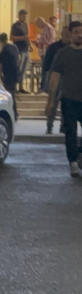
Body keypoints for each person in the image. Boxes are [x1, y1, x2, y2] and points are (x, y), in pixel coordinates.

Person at [45, 21, 82, 177]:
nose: (80, 35)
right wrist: (51, 100)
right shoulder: (63, 54)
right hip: (69, 99)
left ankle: (79, 154)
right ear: (70, 34)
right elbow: (55, 77)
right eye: (76, 32)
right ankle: (73, 162)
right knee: (70, 132)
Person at [42, 26, 71, 134]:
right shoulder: (54, 47)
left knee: (67, 104)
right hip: (55, 77)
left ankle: (64, 126)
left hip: (68, 79)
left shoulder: (73, 48)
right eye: (65, 32)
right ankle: (49, 125)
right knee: (52, 102)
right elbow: (47, 63)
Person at [0, 33, 20, 121]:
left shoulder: (3, 52)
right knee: (12, 94)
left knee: (9, 95)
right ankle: (15, 113)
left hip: (8, 75)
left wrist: (0, 77)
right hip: (15, 73)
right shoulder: (14, 47)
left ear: (0, 41)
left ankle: (13, 114)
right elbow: (19, 58)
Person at [11, 9, 32, 94]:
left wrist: (30, 44)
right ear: (19, 16)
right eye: (23, 16)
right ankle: (15, 86)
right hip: (19, 49)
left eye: (26, 16)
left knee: (23, 69)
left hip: (26, 49)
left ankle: (21, 86)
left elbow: (27, 36)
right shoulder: (15, 26)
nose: (24, 18)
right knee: (18, 68)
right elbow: (12, 38)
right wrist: (23, 38)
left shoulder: (26, 25)